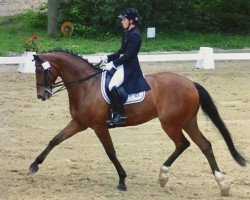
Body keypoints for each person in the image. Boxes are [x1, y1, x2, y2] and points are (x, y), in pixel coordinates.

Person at [101, 8, 151, 125]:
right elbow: (121, 51)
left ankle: (120, 114)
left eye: (124, 19)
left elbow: (128, 55)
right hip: (123, 64)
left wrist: (113, 64)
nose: (122, 21)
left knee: (112, 85)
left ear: (131, 21)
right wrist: (107, 58)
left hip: (130, 67)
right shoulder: (128, 33)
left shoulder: (135, 35)